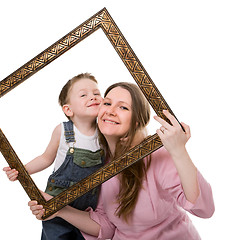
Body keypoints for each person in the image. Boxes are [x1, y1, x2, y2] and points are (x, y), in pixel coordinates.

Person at [29, 82, 215, 240]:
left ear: (136, 121)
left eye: (123, 107)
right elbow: (107, 226)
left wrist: (179, 151)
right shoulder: (99, 162)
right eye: (107, 103)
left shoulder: (157, 156)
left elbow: (204, 209)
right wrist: (57, 208)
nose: (110, 111)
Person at [3, 73, 105, 240]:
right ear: (68, 109)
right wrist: (21, 171)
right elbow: (45, 158)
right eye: (83, 95)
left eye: (96, 93)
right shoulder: (64, 131)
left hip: (86, 210)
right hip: (55, 202)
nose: (93, 97)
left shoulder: (105, 134)